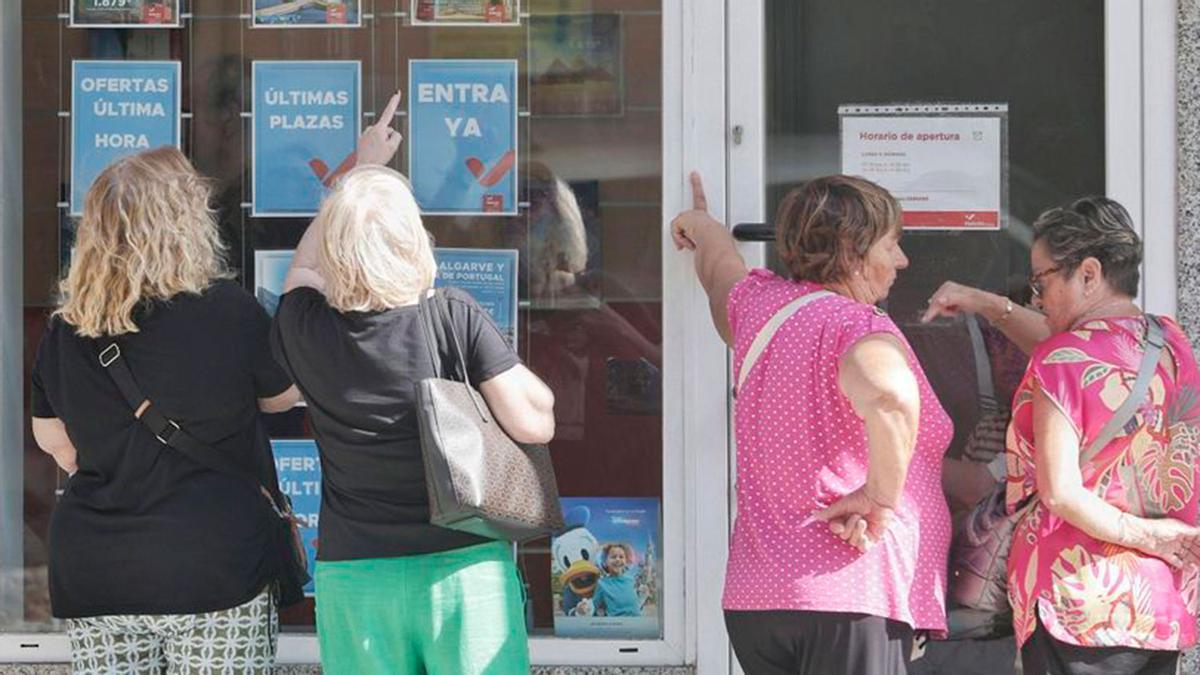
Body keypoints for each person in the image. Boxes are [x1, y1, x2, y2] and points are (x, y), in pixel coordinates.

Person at [269, 92, 556, 675]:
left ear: (336, 243)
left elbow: (303, 267)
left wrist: (358, 171)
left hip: (355, 576)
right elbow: (534, 422)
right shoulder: (451, 315)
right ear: (414, 237)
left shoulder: (304, 324)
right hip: (463, 568)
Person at [30, 146, 301, 673]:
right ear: (185, 222)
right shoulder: (229, 311)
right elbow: (283, 396)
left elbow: (53, 441)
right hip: (214, 565)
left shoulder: (67, 329)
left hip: (98, 569)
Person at [671, 172, 953, 674]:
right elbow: (890, 397)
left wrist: (701, 224)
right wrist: (881, 499)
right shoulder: (858, 327)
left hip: (760, 599)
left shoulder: (757, 308)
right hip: (846, 593)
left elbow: (719, 269)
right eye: (894, 244)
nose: (903, 260)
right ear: (855, 250)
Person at [933, 197, 1200, 674]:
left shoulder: (1059, 361)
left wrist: (1145, 535)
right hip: (1157, 602)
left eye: (1042, 281)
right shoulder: (1170, 343)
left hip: (1075, 600)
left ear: (1089, 273)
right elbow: (1076, 343)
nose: (1036, 297)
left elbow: (1059, 491)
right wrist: (990, 305)